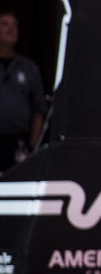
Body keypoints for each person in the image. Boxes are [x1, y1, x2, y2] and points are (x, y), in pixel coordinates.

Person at [0, 11, 45, 174]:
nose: (11, 29)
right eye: (5, 24)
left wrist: (33, 145)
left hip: (18, 143)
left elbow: (38, 109)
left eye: (15, 25)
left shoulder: (28, 68)